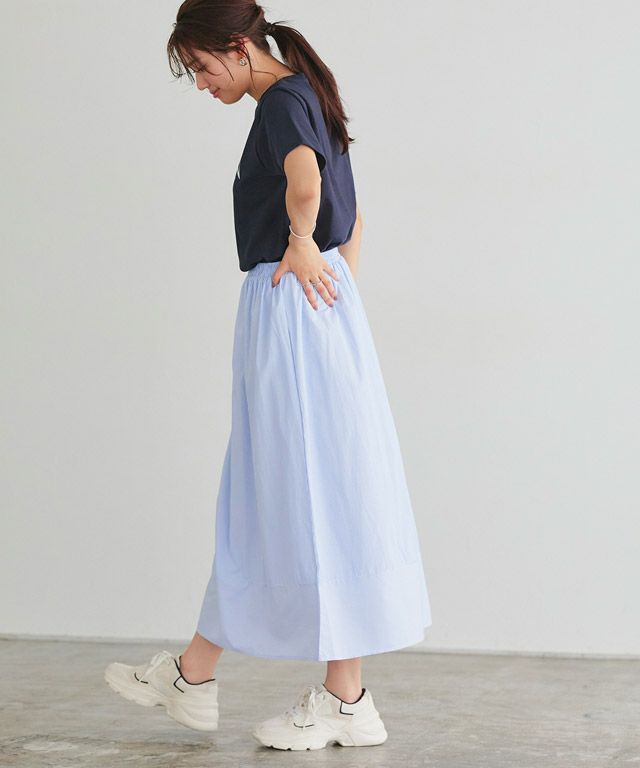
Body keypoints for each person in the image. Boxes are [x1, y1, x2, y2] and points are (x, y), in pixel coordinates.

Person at [104, 0, 432, 752]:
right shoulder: (308, 92)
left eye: (201, 67)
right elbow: (354, 210)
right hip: (318, 311)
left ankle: (278, 689)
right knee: (296, 489)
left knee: (288, 489)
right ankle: (212, 676)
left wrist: (301, 245)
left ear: (237, 45)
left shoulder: (283, 103)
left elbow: (309, 184)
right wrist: (336, 294)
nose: (201, 83)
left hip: (290, 308)